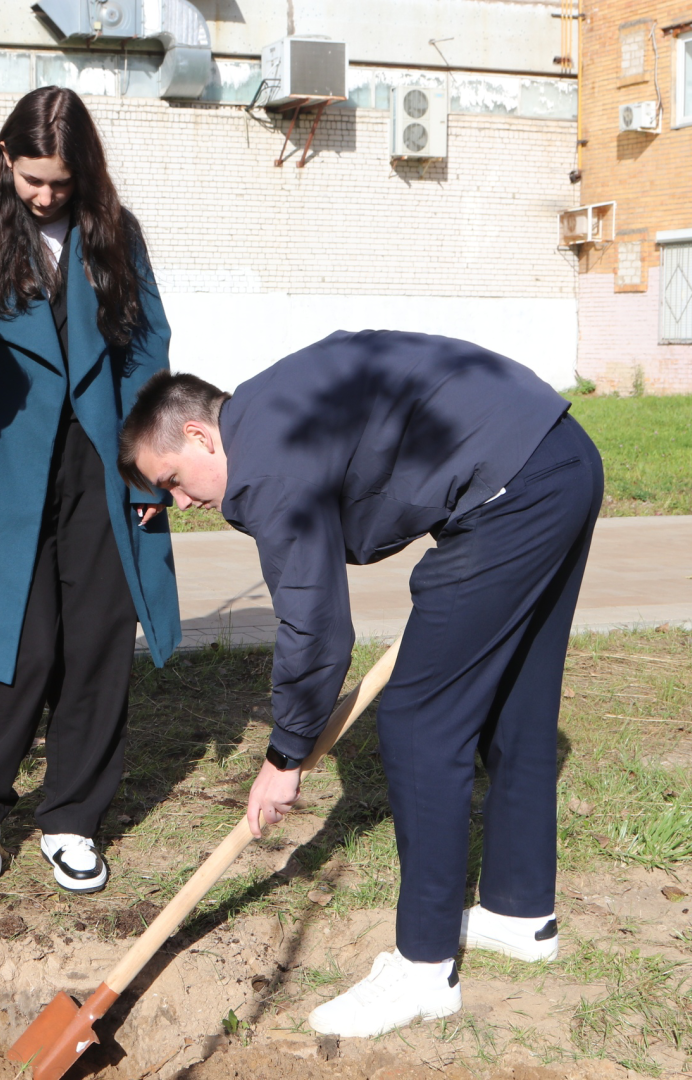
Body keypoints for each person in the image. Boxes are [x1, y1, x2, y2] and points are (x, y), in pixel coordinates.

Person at [116, 331, 602, 1038]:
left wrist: (285, 755)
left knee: (416, 721)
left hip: (510, 490)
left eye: (170, 481)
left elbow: (316, 627)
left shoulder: (265, 464)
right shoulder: (271, 412)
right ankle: (517, 911)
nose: (180, 503)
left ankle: (423, 969)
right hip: (559, 456)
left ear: (198, 434)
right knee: (517, 702)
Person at [0, 86, 181, 895]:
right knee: (16, 647)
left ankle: (71, 820)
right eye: (32, 179)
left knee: (98, 640)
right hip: (7, 464)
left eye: (61, 181)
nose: (44, 195)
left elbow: (147, 350)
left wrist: (148, 466)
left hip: (101, 459)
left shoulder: (115, 234)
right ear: (5, 159)